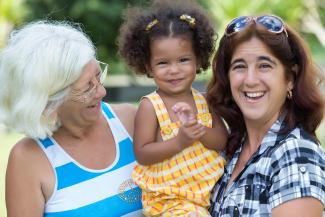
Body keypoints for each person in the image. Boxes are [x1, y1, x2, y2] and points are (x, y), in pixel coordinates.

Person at [0, 21, 143, 217]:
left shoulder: (131, 121)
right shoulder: (28, 160)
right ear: (48, 103)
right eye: (87, 88)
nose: (101, 91)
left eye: (98, 77)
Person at [206, 15, 325, 216]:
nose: (250, 80)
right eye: (239, 66)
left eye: (264, 66)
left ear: (290, 78)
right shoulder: (231, 149)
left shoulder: (295, 153)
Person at [117, 0, 228, 216]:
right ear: (148, 66)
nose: (174, 70)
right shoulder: (151, 106)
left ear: (198, 61)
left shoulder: (205, 101)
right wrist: (180, 141)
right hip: (169, 199)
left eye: (183, 60)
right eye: (163, 63)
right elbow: (143, 153)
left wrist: (198, 130)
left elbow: (221, 141)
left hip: (207, 193)